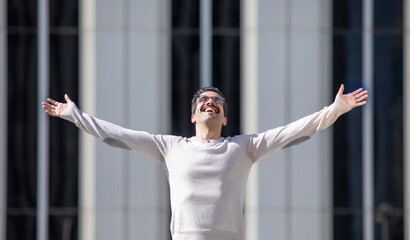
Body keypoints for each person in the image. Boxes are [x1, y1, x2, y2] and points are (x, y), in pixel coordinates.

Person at [42, 85, 367, 240]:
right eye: (204, 101)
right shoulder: (170, 147)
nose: (211, 103)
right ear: (193, 115)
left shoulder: (244, 147)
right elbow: (119, 135)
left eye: (217, 102)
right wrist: (75, 116)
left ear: (225, 118)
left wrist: (335, 109)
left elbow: (298, 130)